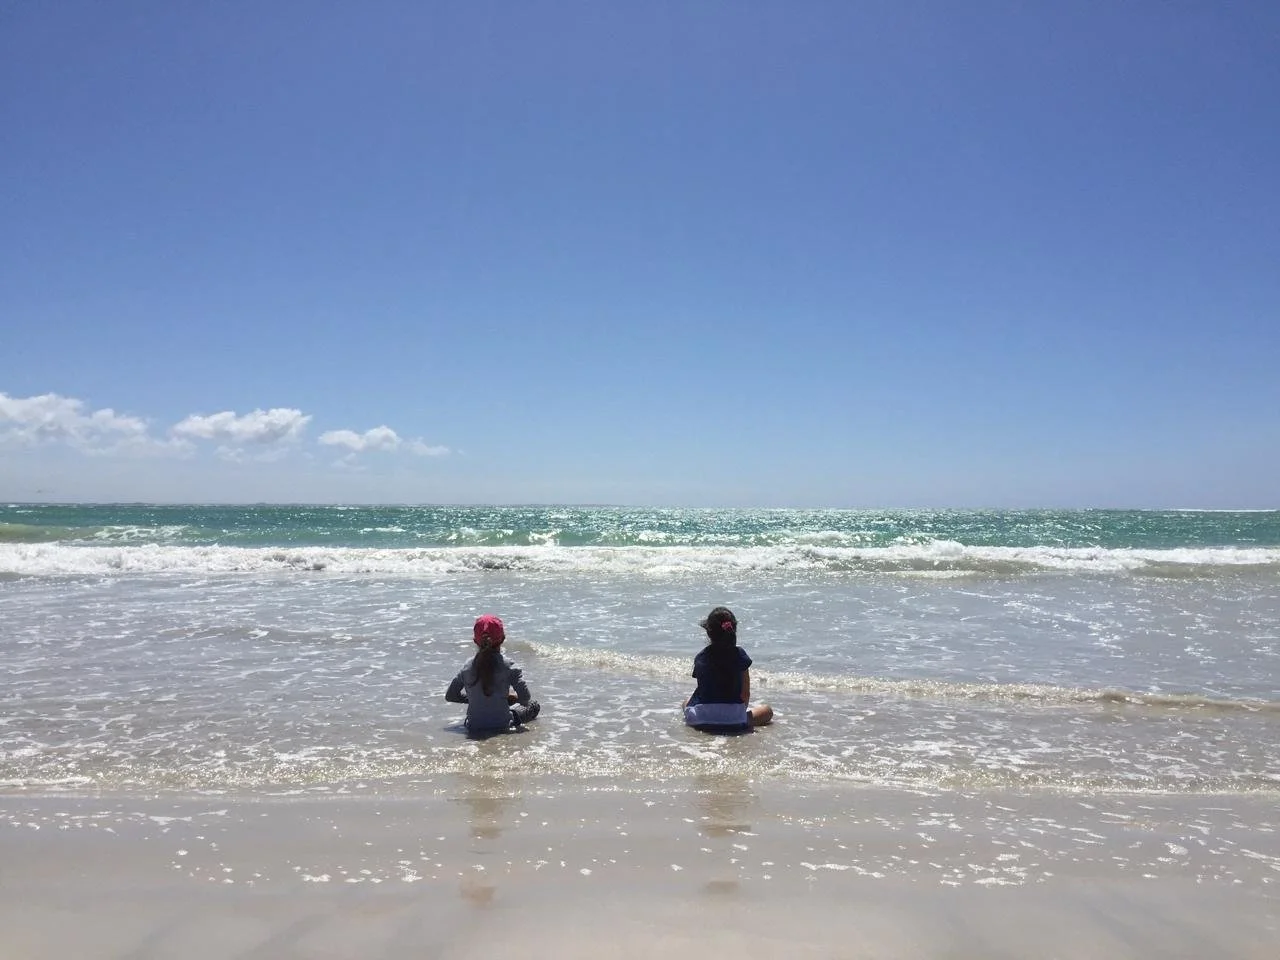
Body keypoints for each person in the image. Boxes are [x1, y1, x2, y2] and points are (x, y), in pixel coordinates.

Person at [683, 606, 773, 731]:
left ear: (709, 633)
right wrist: (737, 712)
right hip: (732, 720)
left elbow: (702, 691)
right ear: (733, 629)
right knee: (767, 711)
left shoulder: (701, 657)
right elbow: (745, 694)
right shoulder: (740, 655)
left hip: (700, 719)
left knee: (686, 702)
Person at [446, 614, 541, 731]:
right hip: (503, 725)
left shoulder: (467, 667)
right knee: (533, 705)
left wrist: (474, 698)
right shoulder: (509, 666)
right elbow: (525, 699)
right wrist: (509, 698)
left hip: (473, 726)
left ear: (475, 641)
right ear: (502, 639)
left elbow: (450, 696)